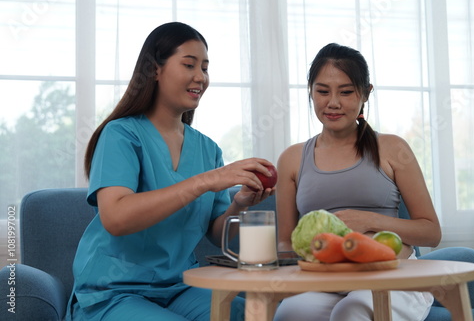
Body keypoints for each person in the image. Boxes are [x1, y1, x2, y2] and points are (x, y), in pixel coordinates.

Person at [65, 22, 276, 321]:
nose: (200, 77)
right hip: (114, 291)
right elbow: (116, 218)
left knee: (248, 313)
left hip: (179, 287)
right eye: (189, 64)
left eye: (205, 67)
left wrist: (240, 202)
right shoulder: (121, 135)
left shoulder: (207, 149)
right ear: (155, 70)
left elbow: (217, 233)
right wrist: (205, 181)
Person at [273, 43, 441, 321]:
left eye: (347, 91)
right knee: (290, 313)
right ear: (310, 92)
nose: (333, 102)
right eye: (322, 91)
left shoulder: (392, 148)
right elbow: (285, 243)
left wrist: (368, 221)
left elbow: (431, 232)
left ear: (365, 93)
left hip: (393, 276)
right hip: (326, 280)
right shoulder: (292, 159)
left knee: (353, 309)